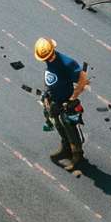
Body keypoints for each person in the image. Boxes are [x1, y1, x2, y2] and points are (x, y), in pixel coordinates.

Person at [34, 37, 89, 169]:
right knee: (57, 123)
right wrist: (47, 95)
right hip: (54, 100)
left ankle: (77, 155)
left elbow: (83, 80)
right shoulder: (49, 61)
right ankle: (66, 148)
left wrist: (72, 99)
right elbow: (51, 78)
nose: (46, 59)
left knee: (69, 127)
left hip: (66, 101)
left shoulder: (67, 63)